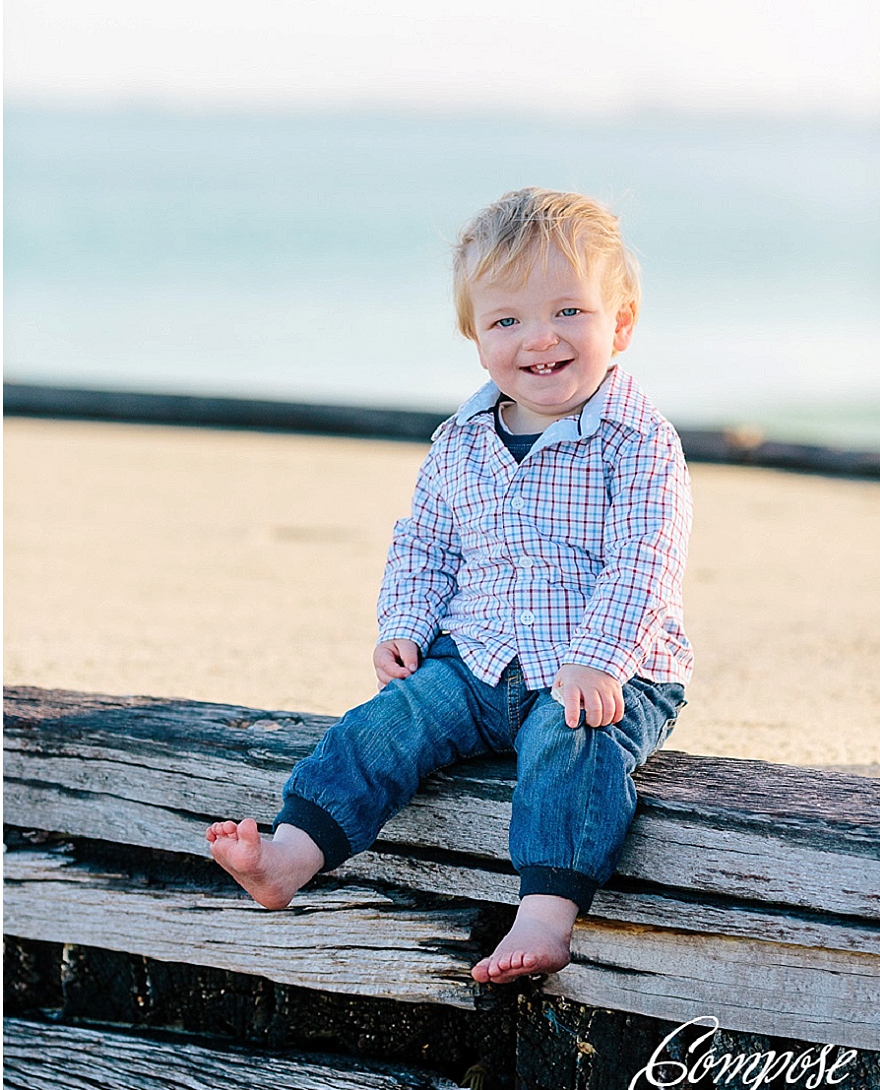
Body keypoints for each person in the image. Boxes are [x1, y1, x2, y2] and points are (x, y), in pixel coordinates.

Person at [208, 187, 691, 984]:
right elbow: (426, 543)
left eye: (569, 312)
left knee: (573, 745)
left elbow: (646, 558)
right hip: (481, 659)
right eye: (508, 321)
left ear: (622, 323)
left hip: (607, 668)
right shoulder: (462, 442)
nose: (540, 339)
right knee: (388, 724)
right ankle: (292, 853)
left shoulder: (637, 442)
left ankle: (543, 913)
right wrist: (403, 622)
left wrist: (601, 659)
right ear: (476, 338)